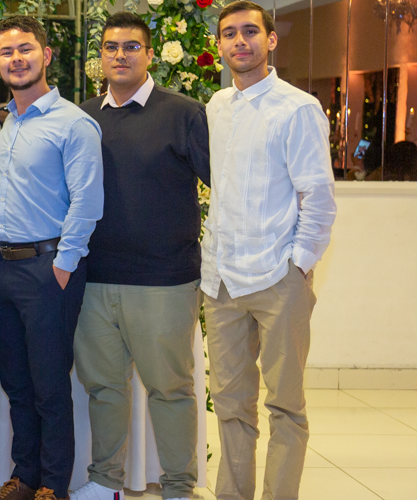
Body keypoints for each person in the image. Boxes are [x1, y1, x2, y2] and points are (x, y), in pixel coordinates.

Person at [70, 12, 210, 500]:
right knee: (104, 389)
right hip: (95, 280)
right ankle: (104, 482)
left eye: (132, 46)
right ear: (100, 57)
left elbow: (225, 186)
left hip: (164, 281)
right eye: (111, 47)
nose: (120, 55)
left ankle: (178, 488)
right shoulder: (83, 117)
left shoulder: (185, 113)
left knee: (170, 391)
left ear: (149, 55)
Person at [202, 3, 337, 500]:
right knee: (233, 407)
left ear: (270, 40)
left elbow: (318, 198)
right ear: (220, 45)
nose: (240, 42)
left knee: (286, 407)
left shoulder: (297, 108)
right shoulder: (216, 107)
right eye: (230, 34)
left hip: (277, 278)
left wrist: (298, 264)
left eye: (250, 33)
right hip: (221, 282)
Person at [0, 15, 103, 500]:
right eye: (8, 52)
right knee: (17, 385)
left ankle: (53, 486)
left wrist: (63, 264)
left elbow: (88, 200)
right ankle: (24, 475)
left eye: (26, 49)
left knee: (50, 388)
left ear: (46, 55)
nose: (17, 59)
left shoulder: (73, 122)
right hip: (3, 268)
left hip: (47, 268)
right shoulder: (4, 120)